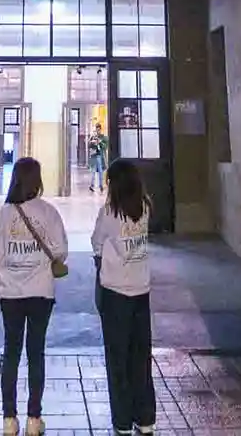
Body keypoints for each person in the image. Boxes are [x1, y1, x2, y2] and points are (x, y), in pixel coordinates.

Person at [0, 156, 67, 436]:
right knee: (36, 353)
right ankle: (35, 418)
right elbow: (60, 251)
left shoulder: (4, 215)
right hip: (41, 293)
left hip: (11, 293)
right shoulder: (48, 212)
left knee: (11, 352)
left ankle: (9, 419)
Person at [93, 158, 156, 436]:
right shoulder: (144, 208)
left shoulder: (109, 213)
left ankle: (121, 420)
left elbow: (96, 242)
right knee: (141, 356)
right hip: (142, 290)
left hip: (116, 293)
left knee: (117, 358)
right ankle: (145, 418)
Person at [88, 121, 109, 194]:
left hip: (100, 156)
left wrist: (100, 142)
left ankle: (101, 186)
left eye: (98, 129)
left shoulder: (103, 137)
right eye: (96, 129)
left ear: (100, 129)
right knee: (93, 171)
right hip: (94, 156)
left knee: (100, 171)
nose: (97, 131)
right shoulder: (93, 137)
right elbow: (89, 145)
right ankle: (92, 185)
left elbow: (105, 146)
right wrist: (92, 142)